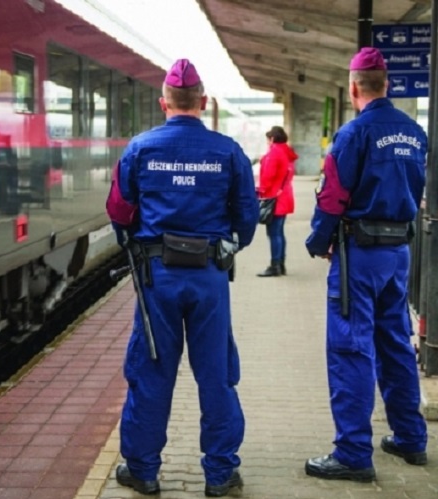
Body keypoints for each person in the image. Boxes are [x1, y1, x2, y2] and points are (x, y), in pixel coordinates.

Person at [105, 58, 258, 497]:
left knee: (151, 372)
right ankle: (220, 473)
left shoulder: (140, 149)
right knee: (216, 373)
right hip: (209, 276)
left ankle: (143, 471)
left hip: (157, 279)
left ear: (164, 102)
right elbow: (246, 217)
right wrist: (230, 245)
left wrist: (134, 240)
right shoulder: (228, 151)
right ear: (203, 103)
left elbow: (119, 210)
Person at [304, 46, 428, 482]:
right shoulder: (415, 133)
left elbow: (333, 196)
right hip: (398, 255)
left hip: (358, 255)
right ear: (387, 85)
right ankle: (410, 438)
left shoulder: (354, 134)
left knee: (351, 347)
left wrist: (318, 241)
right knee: (395, 341)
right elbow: (417, 189)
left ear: (353, 87)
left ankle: (354, 453)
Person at [256, 125, 298, 277]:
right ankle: (281, 264)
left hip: (274, 198)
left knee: (273, 233)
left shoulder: (274, 152)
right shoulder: (287, 152)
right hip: (285, 196)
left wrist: (260, 192)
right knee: (279, 232)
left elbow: (268, 177)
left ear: (272, 138)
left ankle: (274, 266)